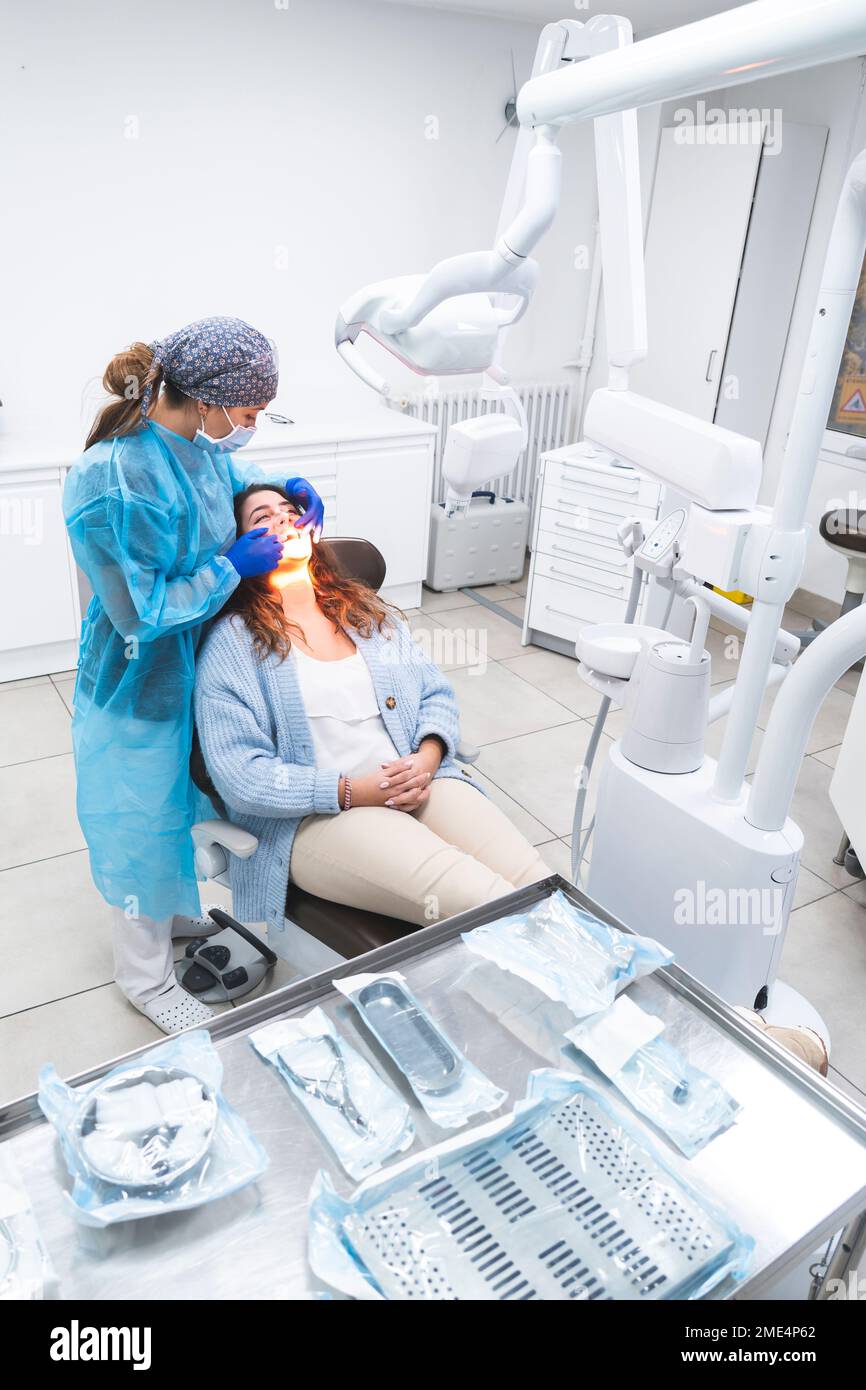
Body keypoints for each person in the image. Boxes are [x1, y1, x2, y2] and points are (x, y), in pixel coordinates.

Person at [64, 318, 325, 1032]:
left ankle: (174, 913)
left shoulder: (195, 449)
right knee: (141, 825)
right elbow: (142, 614)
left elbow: (231, 480)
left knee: (178, 807)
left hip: (189, 672)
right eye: (246, 414)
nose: (250, 427)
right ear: (206, 400)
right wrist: (229, 566)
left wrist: (279, 488)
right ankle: (143, 978)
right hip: (135, 683)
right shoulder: (112, 480)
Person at [194, 484, 549, 936]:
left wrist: (429, 756)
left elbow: (435, 694)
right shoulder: (233, 644)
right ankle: (571, 993)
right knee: (488, 899)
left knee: (537, 881)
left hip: (418, 780)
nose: (284, 520)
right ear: (240, 549)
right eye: (262, 518)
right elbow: (242, 778)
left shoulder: (365, 614)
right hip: (321, 818)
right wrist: (354, 791)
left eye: (290, 511)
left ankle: (612, 981)